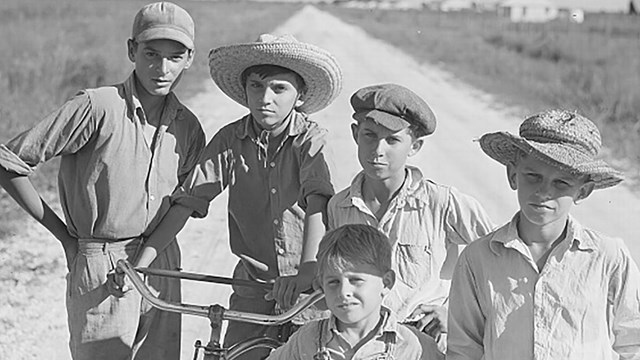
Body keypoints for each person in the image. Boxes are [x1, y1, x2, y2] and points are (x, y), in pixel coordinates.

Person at [0, 2, 204, 359]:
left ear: (189, 59)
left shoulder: (188, 127)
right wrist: (66, 240)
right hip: (102, 265)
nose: (162, 68)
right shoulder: (98, 106)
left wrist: (149, 261)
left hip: (162, 261)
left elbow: (184, 204)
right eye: (151, 53)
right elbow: (9, 162)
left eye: (175, 57)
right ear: (131, 50)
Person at [145, 33, 342, 359]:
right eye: (256, 86)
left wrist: (308, 271)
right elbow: (189, 200)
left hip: (309, 289)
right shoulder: (230, 140)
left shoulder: (311, 141)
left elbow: (317, 202)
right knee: (235, 353)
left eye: (279, 89)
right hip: (254, 286)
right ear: (245, 89)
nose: (266, 98)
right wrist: (143, 261)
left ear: (300, 95)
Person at [447, 109, 640, 359]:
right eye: (533, 177)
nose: (544, 192)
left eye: (562, 183)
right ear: (513, 175)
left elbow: (633, 342)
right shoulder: (478, 259)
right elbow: (464, 349)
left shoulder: (608, 256)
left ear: (583, 192)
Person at [327, 83, 495, 349]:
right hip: (363, 345)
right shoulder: (340, 207)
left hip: (426, 343)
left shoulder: (442, 202)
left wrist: (455, 311)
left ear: (414, 146)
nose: (378, 150)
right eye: (369, 135)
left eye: (392, 140)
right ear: (355, 134)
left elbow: (501, 260)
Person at [266, 224, 444, 359]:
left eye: (356, 280)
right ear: (321, 284)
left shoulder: (413, 346)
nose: (344, 292)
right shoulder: (308, 338)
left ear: (386, 282)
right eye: (333, 282)